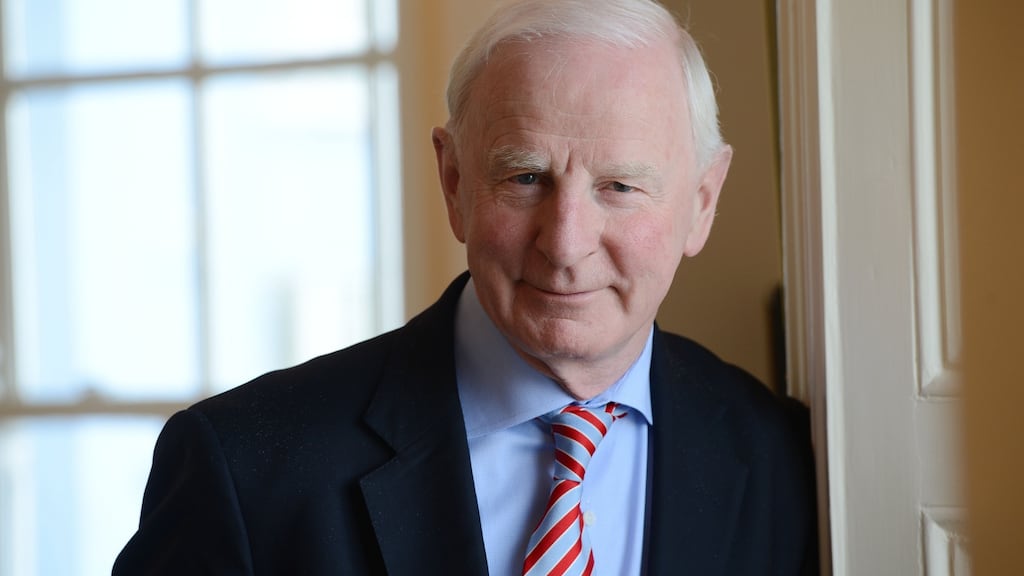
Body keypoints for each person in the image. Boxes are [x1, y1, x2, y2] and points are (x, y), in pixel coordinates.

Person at [114, 0, 817, 574]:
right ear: (454, 183)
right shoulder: (245, 469)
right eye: (525, 177)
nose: (565, 243)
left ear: (702, 201)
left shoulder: (786, 459)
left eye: (620, 186)